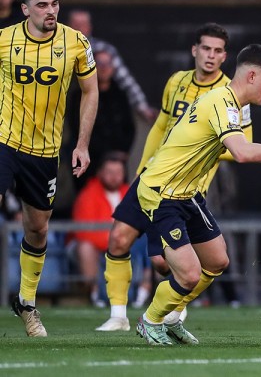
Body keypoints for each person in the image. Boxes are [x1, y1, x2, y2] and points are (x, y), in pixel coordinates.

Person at [134, 44, 261, 345]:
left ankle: (170, 316)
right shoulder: (222, 101)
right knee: (190, 275)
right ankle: (150, 320)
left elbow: (238, 149)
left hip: (186, 193)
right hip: (160, 192)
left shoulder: (230, 104)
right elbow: (243, 153)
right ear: (250, 75)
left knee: (217, 261)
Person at [96, 23, 248, 332]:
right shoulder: (177, 81)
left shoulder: (231, 93)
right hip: (153, 177)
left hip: (187, 187)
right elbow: (161, 125)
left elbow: (240, 146)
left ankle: (175, 308)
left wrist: (195, 146)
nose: (211, 56)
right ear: (194, 50)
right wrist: (141, 167)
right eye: (206, 48)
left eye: (218, 51)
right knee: (118, 238)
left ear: (225, 56)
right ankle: (117, 316)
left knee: (167, 262)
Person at [2, 0, 99, 337]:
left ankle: (26, 303)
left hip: (44, 151)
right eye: (42, 5)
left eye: (55, 3)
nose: (51, 11)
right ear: (25, 9)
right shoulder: (4, 40)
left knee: (38, 228)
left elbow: (90, 91)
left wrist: (83, 143)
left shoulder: (76, 42)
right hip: (4, 139)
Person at [67, 9, 156, 122]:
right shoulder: (56, 50)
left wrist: (142, 108)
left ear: (89, 27)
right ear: (67, 26)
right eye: (76, 24)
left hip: (96, 107)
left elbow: (126, 80)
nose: (79, 28)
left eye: (83, 24)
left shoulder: (103, 50)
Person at [67, 49, 135, 189]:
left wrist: (120, 154)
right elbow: (75, 127)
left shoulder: (121, 95)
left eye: (107, 63)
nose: (104, 68)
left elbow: (130, 128)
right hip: (89, 162)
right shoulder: (78, 96)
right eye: (100, 63)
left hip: (117, 161)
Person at [69, 152, 131, 307]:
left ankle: (143, 294)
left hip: (123, 244)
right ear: (100, 173)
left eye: (118, 173)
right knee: (85, 247)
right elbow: (84, 233)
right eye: (110, 172)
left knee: (149, 245)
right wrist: (114, 240)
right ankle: (94, 294)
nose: (114, 177)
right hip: (94, 246)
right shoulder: (88, 194)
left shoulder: (130, 193)